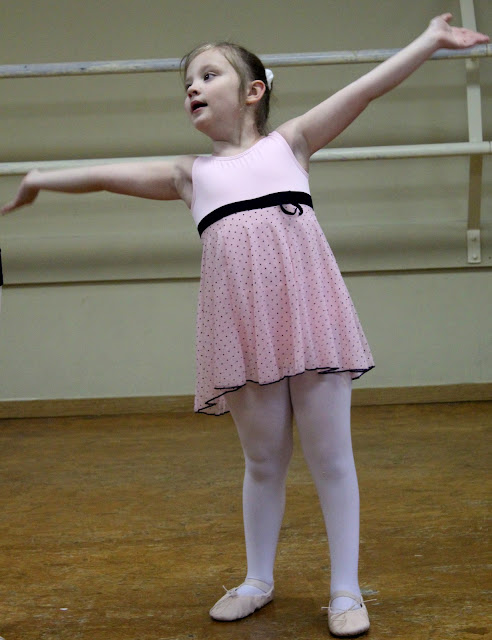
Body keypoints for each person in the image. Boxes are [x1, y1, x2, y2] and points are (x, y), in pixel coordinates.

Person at [1, 13, 488, 637]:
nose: (193, 87)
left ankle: (345, 589)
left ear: (254, 90)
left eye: (209, 75)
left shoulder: (291, 144)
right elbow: (103, 175)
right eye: (187, 82)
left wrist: (430, 40)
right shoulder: (190, 175)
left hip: (310, 320)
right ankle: (258, 579)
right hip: (240, 332)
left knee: (331, 459)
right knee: (262, 462)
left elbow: (366, 88)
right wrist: (41, 178)